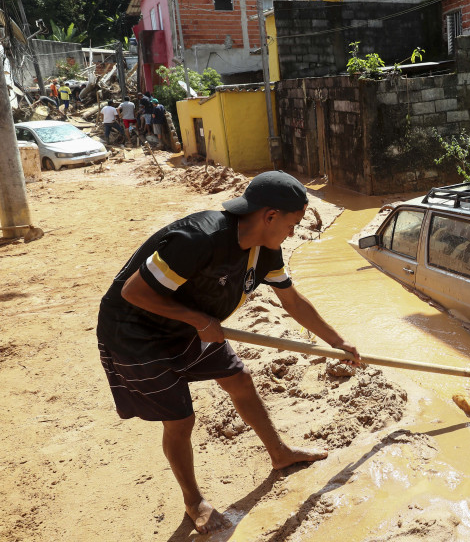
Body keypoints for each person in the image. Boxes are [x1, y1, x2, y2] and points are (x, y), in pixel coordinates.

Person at [96, 171, 360, 534]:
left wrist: (337, 342)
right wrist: (196, 319)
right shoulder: (200, 238)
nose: (293, 232)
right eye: (292, 223)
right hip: (136, 333)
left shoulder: (266, 250)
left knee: (239, 378)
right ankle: (194, 502)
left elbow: (292, 300)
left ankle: (279, 454)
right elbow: (133, 293)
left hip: (194, 323)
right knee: (180, 420)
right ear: (270, 216)